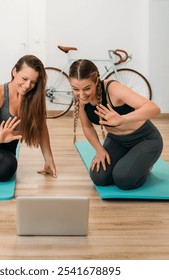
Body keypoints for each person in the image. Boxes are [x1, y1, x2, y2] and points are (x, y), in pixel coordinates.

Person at [69, 59, 163, 190]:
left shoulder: (113, 89)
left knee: (123, 179)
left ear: (96, 81)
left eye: (87, 88)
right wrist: (99, 150)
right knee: (99, 177)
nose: (82, 95)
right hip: (117, 140)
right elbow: (87, 126)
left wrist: (122, 119)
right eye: (75, 89)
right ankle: (129, 160)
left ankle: (145, 165)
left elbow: (154, 108)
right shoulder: (80, 99)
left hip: (145, 139)